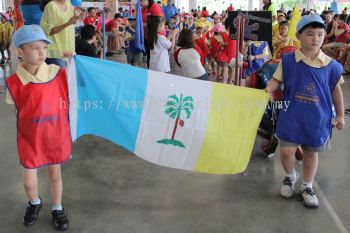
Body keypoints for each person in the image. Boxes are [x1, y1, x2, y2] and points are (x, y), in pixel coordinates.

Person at [265, 15, 345, 208]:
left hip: (317, 118)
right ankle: (290, 176)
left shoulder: (331, 65)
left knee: (311, 153)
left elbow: (336, 90)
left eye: (320, 34)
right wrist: (270, 88)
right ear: (299, 35)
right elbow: (276, 79)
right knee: (286, 151)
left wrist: (341, 115)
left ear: (325, 36)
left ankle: (307, 185)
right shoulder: (288, 60)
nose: (315, 38)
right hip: (291, 114)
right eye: (310, 34)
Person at [5, 25, 71, 231]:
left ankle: (58, 207)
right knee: (29, 183)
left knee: (55, 175)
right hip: (30, 138)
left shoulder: (57, 72)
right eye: (35, 48)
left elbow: (75, 80)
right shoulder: (14, 82)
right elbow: (18, 110)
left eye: (44, 47)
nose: (42, 52)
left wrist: (71, 61)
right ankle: (34, 201)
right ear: (19, 52)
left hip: (54, 135)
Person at [40, 0, 82, 67]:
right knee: (60, 76)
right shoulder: (51, 6)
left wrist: (77, 16)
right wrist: (68, 23)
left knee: (68, 76)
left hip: (69, 50)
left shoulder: (70, 4)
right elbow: (48, 31)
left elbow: (72, 22)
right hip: (56, 52)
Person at [141, 0, 163, 68]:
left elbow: (159, 25)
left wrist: (143, 25)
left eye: (141, 1)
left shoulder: (154, 7)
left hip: (154, 37)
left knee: (153, 58)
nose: (140, 3)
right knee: (149, 56)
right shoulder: (144, 8)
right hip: (146, 35)